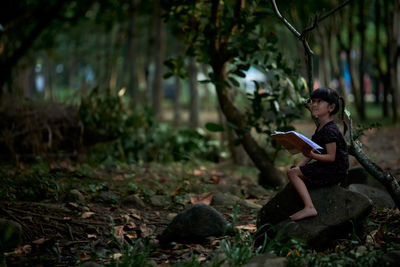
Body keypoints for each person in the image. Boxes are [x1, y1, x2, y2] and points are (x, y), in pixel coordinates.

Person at [287, 87, 349, 221]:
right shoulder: (321, 128)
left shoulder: (330, 131)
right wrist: (297, 168)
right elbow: (310, 152)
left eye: (319, 102)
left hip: (334, 169)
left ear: (331, 107)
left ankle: (309, 207)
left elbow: (331, 157)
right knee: (293, 172)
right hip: (327, 166)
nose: (314, 105)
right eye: (313, 101)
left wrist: (311, 156)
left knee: (293, 174)